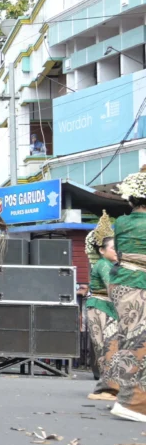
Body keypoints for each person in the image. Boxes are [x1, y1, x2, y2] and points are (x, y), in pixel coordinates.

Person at [105, 167, 146, 423]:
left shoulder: (121, 223)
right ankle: (133, 403)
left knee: (130, 340)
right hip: (139, 284)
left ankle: (128, 397)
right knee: (139, 344)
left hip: (121, 285)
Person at [84, 215, 119, 401]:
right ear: (101, 250)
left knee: (108, 348)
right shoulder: (103, 265)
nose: (117, 251)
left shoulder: (110, 265)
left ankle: (110, 387)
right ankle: (107, 388)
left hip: (105, 307)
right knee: (106, 348)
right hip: (101, 307)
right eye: (113, 248)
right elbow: (112, 288)